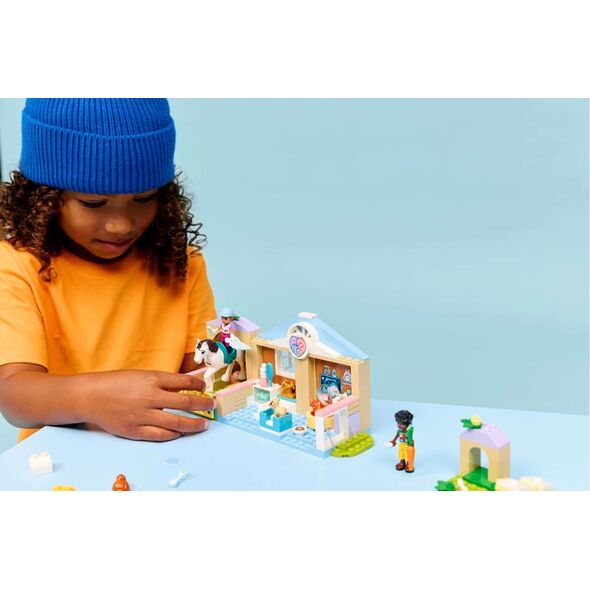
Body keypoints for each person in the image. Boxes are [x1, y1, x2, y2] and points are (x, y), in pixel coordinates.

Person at [0, 98, 216, 443]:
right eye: (93, 203)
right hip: (61, 464)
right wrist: (94, 400)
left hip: (171, 456)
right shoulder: (15, 266)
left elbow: (203, 375)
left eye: (143, 198)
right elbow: (13, 396)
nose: (121, 225)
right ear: (44, 197)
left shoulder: (181, 262)